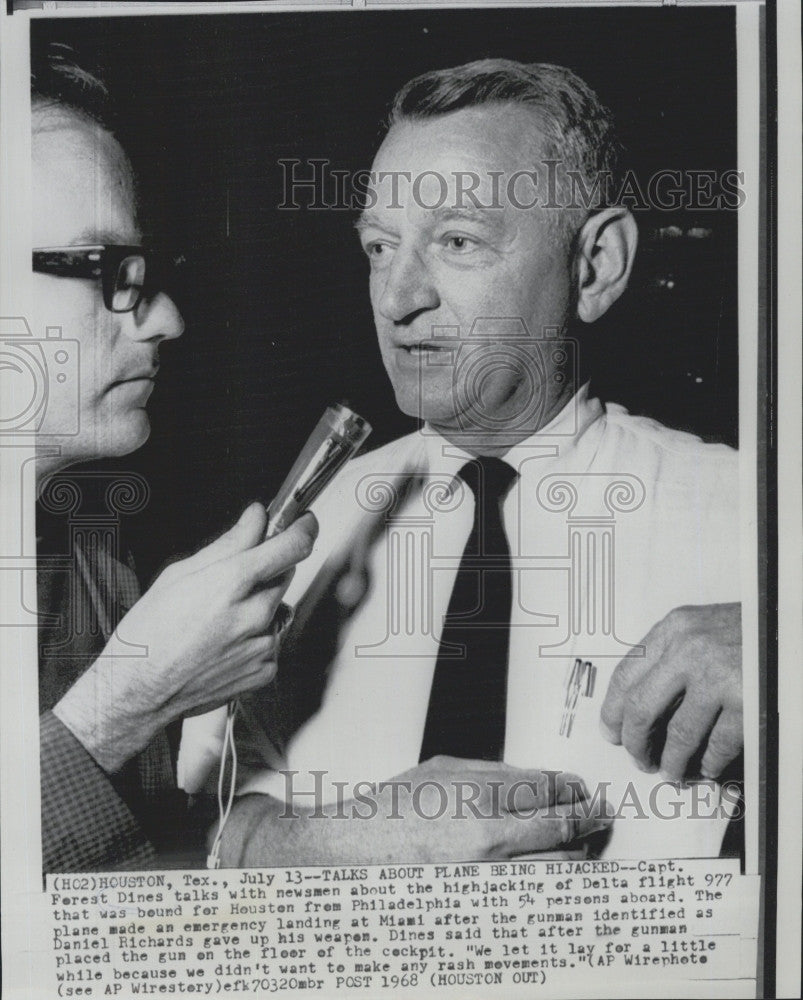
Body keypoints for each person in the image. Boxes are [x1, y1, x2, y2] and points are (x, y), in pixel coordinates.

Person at [204, 59, 743, 867]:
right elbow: (206, 822)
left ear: (595, 266)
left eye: (456, 241)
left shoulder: (755, 520)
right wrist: (308, 845)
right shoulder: (306, 529)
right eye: (379, 247)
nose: (396, 298)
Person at [30, 45, 318, 872]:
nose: (164, 322)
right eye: (108, 271)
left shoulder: (90, 564)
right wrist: (129, 699)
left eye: (146, 271)